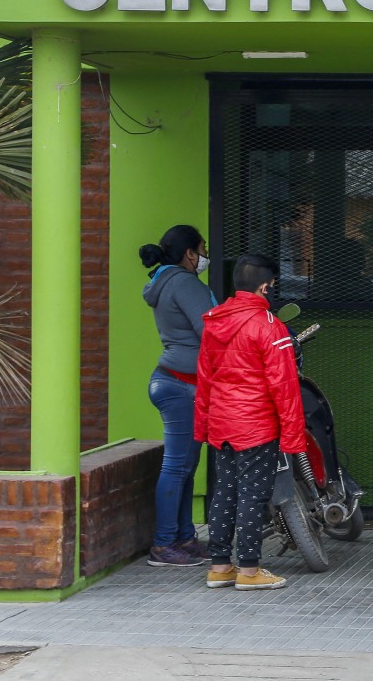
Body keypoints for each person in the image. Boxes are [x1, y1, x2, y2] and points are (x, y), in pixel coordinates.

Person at [194, 254, 306, 590]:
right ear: (265, 286)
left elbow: (204, 380)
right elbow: (284, 387)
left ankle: (219, 566)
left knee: (224, 492)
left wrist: (203, 426)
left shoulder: (214, 322)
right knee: (253, 496)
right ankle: (249, 570)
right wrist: (293, 437)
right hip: (256, 426)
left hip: (222, 425)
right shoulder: (270, 326)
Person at [140, 225, 216, 568]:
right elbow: (210, 331)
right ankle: (164, 544)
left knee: (186, 465)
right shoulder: (184, 283)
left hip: (177, 382)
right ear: (189, 253)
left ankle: (184, 538)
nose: (203, 256)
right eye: (201, 248)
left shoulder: (164, 281)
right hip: (180, 384)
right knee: (177, 466)